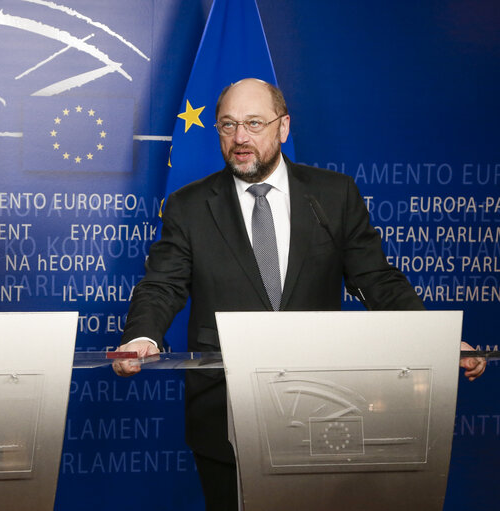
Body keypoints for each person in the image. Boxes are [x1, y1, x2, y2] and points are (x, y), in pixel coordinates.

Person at [112, 78, 485, 510]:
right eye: (227, 125)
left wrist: (436, 342)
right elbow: (163, 284)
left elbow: (377, 281)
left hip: (323, 409)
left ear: (283, 127)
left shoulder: (333, 195)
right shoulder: (189, 205)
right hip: (224, 410)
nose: (240, 139)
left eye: (254, 123)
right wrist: (142, 338)